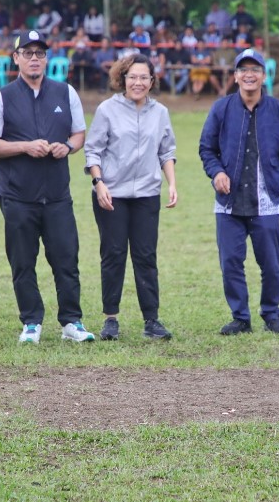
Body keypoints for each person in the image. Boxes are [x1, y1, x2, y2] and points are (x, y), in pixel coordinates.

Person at [0, 30, 96, 344]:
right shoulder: (0, 97)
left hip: (57, 195)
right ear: (16, 58)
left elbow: (78, 135)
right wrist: (24, 147)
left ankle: (71, 322)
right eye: (27, 53)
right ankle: (31, 322)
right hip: (18, 196)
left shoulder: (65, 92)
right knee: (22, 262)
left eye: (40, 53)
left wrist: (68, 148)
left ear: (47, 58)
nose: (34, 59)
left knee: (66, 259)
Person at [199, 49, 279, 336]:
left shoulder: (278, 110)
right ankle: (240, 318)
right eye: (243, 69)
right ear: (235, 76)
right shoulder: (221, 109)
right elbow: (206, 149)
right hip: (229, 203)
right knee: (231, 262)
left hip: (267, 201)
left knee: (271, 264)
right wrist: (217, 172)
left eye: (255, 69)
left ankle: (271, 314)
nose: (249, 74)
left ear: (264, 76)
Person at [84, 53, 178, 341]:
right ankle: (110, 318)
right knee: (113, 254)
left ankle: (152, 320)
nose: (138, 82)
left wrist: (171, 183)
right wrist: (99, 183)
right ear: (122, 78)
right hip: (112, 194)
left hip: (147, 194)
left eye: (144, 77)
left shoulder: (160, 112)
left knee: (146, 256)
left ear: (152, 81)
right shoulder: (107, 110)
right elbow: (93, 151)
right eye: (132, 77)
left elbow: (166, 151)